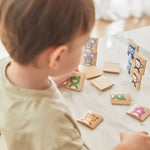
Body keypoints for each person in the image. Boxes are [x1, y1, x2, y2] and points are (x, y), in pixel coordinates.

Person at [0, 0, 150, 149]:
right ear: (57, 57)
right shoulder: (54, 125)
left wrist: (48, 78)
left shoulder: (5, 67)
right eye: (83, 45)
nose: (85, 48)